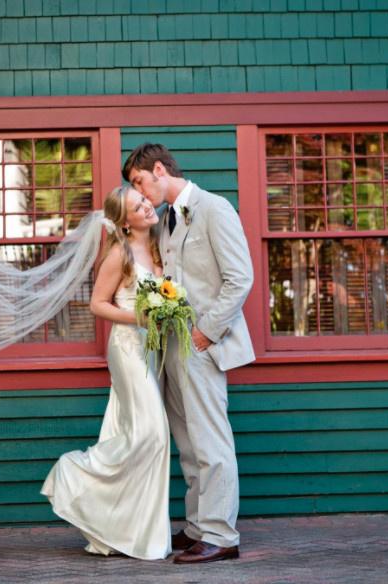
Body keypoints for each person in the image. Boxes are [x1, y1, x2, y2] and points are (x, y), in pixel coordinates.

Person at [123, 143, 255, 564]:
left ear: (159, 170)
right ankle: (199, 526)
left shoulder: (215, 209)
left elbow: (240, 278)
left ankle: (221, 536)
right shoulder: (163, 221)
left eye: (140, 182)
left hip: (203, 345)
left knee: (211, 440)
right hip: (172, 348)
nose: (141, 193)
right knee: (187, 441)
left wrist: (205, 332)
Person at [41, 185, 172, 560]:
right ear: (124, 222)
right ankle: (75, 473)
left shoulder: (160, 245)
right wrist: (139, 317)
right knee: (152, 433)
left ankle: (127, 529)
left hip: (151, 350)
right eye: (137, 206)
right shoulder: (120, 253)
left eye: (145, 200)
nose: (147, 206)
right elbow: (98, 304)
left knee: (139, 435)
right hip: (128, 346)